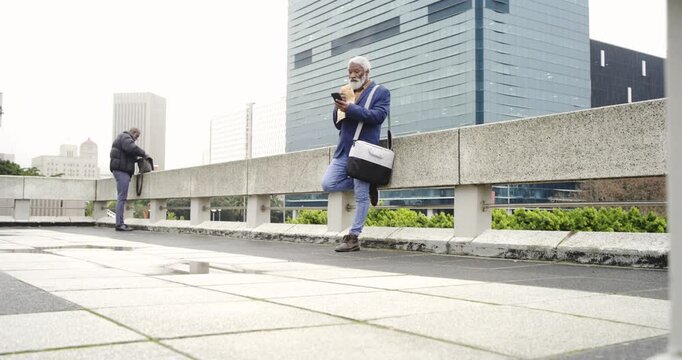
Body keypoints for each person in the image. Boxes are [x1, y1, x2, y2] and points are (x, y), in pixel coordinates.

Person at [321, 55, 390, 252]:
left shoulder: (380, 92)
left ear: (366, 72)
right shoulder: (346, 91)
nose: (352, 75)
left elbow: (378, 117)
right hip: (344, 150)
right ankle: (370, 184)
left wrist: (351, 108)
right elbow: (337, 124)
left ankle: (353, 237)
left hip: (364, 151)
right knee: (328, 183)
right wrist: (338, 109)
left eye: (356, 71)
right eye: (350, 71)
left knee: (360, 197)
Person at [109, 127, 148, 231]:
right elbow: (131, 148)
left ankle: (120, 223)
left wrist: (136, 159)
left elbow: (127, 154)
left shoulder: (121, 138)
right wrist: (144, 153)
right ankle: (119, 224)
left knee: (121, 197)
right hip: (121, 171)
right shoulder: (126, 137)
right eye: (137, 136)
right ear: (133, 133)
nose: (136, 139)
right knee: (121, 197)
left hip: (119, 170)